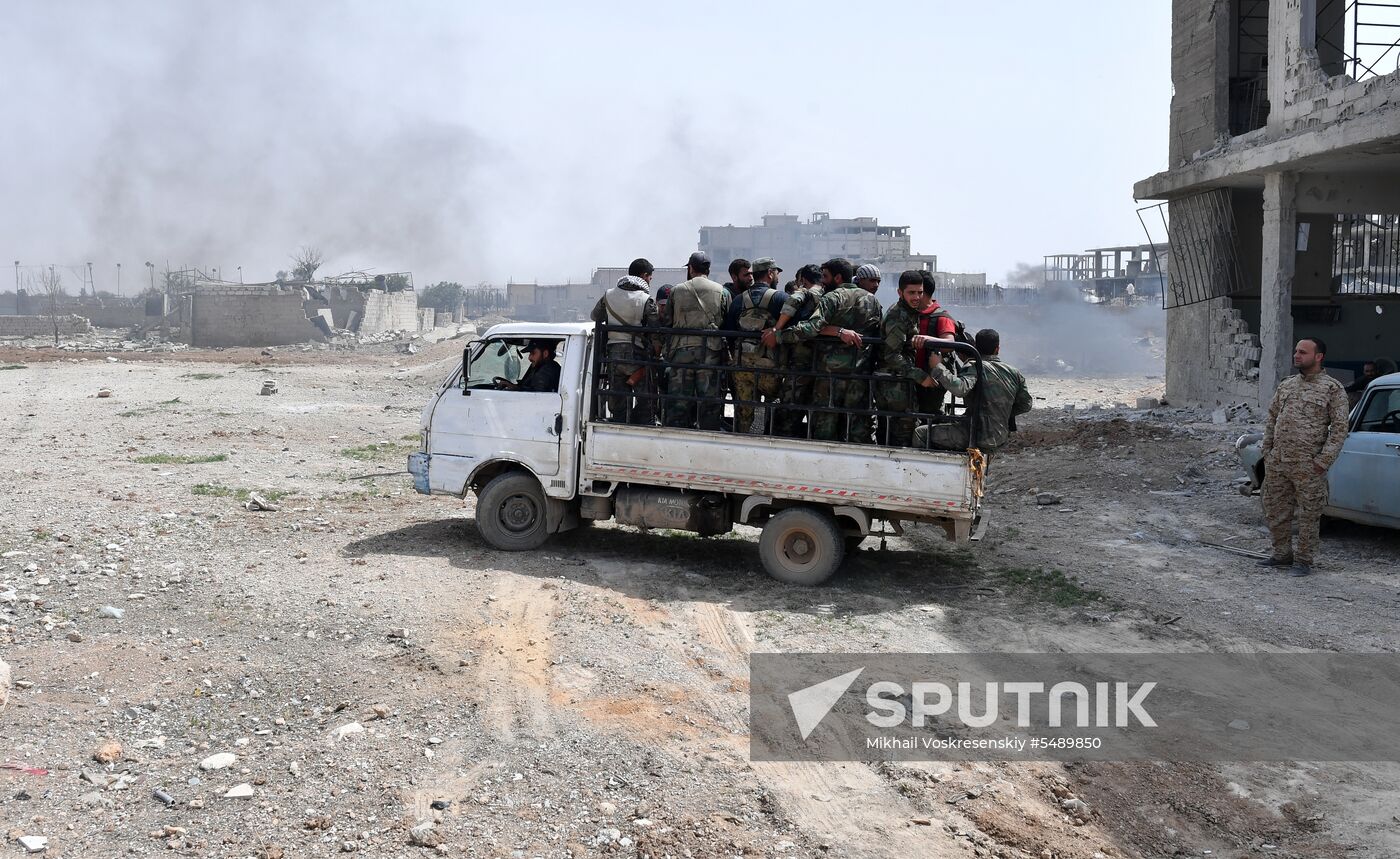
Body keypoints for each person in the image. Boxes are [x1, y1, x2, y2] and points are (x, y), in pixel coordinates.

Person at [1257, 337, 1350, 577]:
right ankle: (1282, 555)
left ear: (1319, 356)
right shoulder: (1287, 385)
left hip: (1308, 465)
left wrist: (1323, 461)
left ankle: (1304, 560)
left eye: (1303, 352)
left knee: (1308, 514)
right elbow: (1272, 419)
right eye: (1296, 351)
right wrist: (1267, 452)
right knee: (1276, 510)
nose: (1296, 355)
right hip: (1278, 462)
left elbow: (1340, 429)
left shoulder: (1332, 389)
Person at [768, 258, 881, 442]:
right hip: (859, 374)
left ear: (837, 277)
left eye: (825, 276)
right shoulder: (872, 301)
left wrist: (779, 335)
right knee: (855, 430)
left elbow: (811, 328)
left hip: (829, 376)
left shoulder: (833, 297)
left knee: (824, 430)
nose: (822, 281)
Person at [913, 328, 1031, 462]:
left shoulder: (976, 367)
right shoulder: (1014, 372)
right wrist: (1001, 412)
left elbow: (960, 389)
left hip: (975, 434)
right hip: (999, 436)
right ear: (997, 349)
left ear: (976, 347)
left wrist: (938, 367)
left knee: (921, 433)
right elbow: (1026, 405)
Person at [662, 251, 730, 430]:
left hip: (681, 352)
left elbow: (667, 321)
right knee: (709, 402)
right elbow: (727, 321)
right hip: (710, 352)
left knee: (679, 402)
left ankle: (676, 437)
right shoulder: (722, 291)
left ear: (690, 268)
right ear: (708, 269)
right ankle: (709, 436)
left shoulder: (677, 290)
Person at [591, 258, 659, 424]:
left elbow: (595, 316)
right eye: (650, 277)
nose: (650, 281)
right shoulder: (645, 299)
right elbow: (656, 329)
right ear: (644, 276)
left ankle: (620, 425)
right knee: (646, 400)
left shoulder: (608, 295)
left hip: (613, 356)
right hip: (637, 355)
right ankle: (639, 426)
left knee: (618, 401)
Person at [875, 271, 939, 446]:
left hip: (899, 380)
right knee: (902, 431)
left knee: (894, 430)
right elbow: (891, 355)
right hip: (893, 383)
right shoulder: (898, 316)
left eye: (920, 292)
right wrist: (920, 376)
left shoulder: (910, 312)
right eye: (912, 293)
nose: (917, 297)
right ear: (900, 292)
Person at [726, 257, 787, 433]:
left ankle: (741, 445)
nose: (777, 277)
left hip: (743, 368)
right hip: (771, 368)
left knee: (744, 413)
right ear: (769, 273)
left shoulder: (739, 300)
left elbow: (730, 333)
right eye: (776, 273)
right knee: (773, 408)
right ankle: (767, 443)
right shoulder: (780, 298)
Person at [767, 264, 825, 437]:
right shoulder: (829, 295)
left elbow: (793, 300)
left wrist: (777, 329)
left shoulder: (806, 293)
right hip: (822, 362)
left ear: (803, 280)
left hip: (800, 360)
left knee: (789, 410)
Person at [915, 270, 960, 415]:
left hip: (930, 383)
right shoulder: (908, 315)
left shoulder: (941, 317)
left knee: (929, 418)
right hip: (912, 378)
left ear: (922, 292)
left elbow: (949, 343)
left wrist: (928, 340)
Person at [496, 340, 561, 393]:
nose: (529, 357)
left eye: (533, 353)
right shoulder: (541, 367)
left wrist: (515, 388)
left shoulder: (547, 371)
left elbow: (535, 395)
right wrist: (513, 387)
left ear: (545, 354)